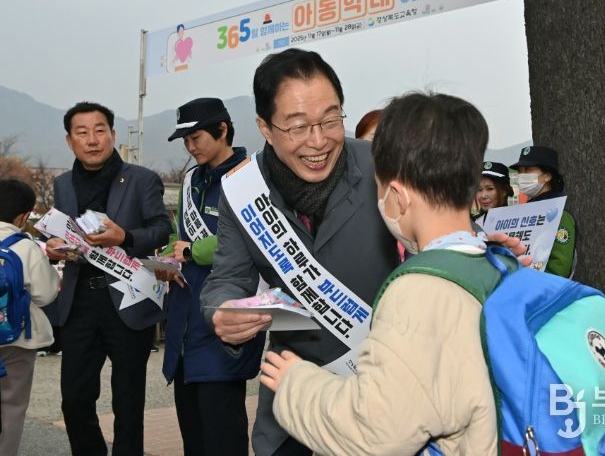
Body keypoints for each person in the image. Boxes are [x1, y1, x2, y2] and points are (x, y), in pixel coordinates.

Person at [259, 92, 511, 455]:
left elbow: (377, 431)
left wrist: (294, 383)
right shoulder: (503, 264)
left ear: (397, 195)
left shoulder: (418, 292)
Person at [200, 48, 401, 456]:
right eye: (297, 126)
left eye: (330, 119)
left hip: (381, 390)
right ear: (265, 127)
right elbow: (228, 278)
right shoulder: (243, 190)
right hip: (293, 397)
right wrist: (223, 311)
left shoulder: (382, 164)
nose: (318, 141)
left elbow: (435, 239)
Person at [45, 101, 172, 456]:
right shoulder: (62, 184)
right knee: (74, 398)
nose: (92, 140)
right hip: (79, 302)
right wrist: (54, 246)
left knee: (128, 403)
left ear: (113, 135)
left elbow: (162, 228)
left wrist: (125, 237)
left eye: (99, 130)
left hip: (127, 299)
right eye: (82, 132)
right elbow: (61, 231)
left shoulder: (141, 179)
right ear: (70, 140)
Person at [160, 97, 265, 456]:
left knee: (223, 437)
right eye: (185, 141)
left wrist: (193, 251)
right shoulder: (191, 180)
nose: (191, 147)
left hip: (223, 321)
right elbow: (179, 235)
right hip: (185, 323)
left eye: (196, 138)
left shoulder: (250, 176)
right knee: (194, 439)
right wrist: (169, 255)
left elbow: (252, 238)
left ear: (222, 129)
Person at [0, 179, 60, 455]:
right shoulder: (24, 246)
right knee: (12, 406)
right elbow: (46, 294)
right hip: (16, 340)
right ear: (23, 217)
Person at [510, 145, 576, 278]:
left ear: (547, 176)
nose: (522, 176)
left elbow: (559, 269)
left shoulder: (560, 215)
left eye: (528, 170)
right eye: (520, 171)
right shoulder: (523, 213)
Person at [472, 161, 513, 230]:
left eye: (490, 189)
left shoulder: (518, 220)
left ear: (504, 190)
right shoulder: (473, 224)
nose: (483, 196)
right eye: (479, 190)